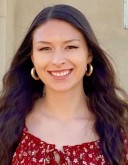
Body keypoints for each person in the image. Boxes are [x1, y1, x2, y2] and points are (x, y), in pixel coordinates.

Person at [0, 4, 128, 165]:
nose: (58, 60)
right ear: (32, 57)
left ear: (89, 54)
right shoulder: (6, 122)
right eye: (45, 48)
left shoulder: (120, 127)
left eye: (70, 47)